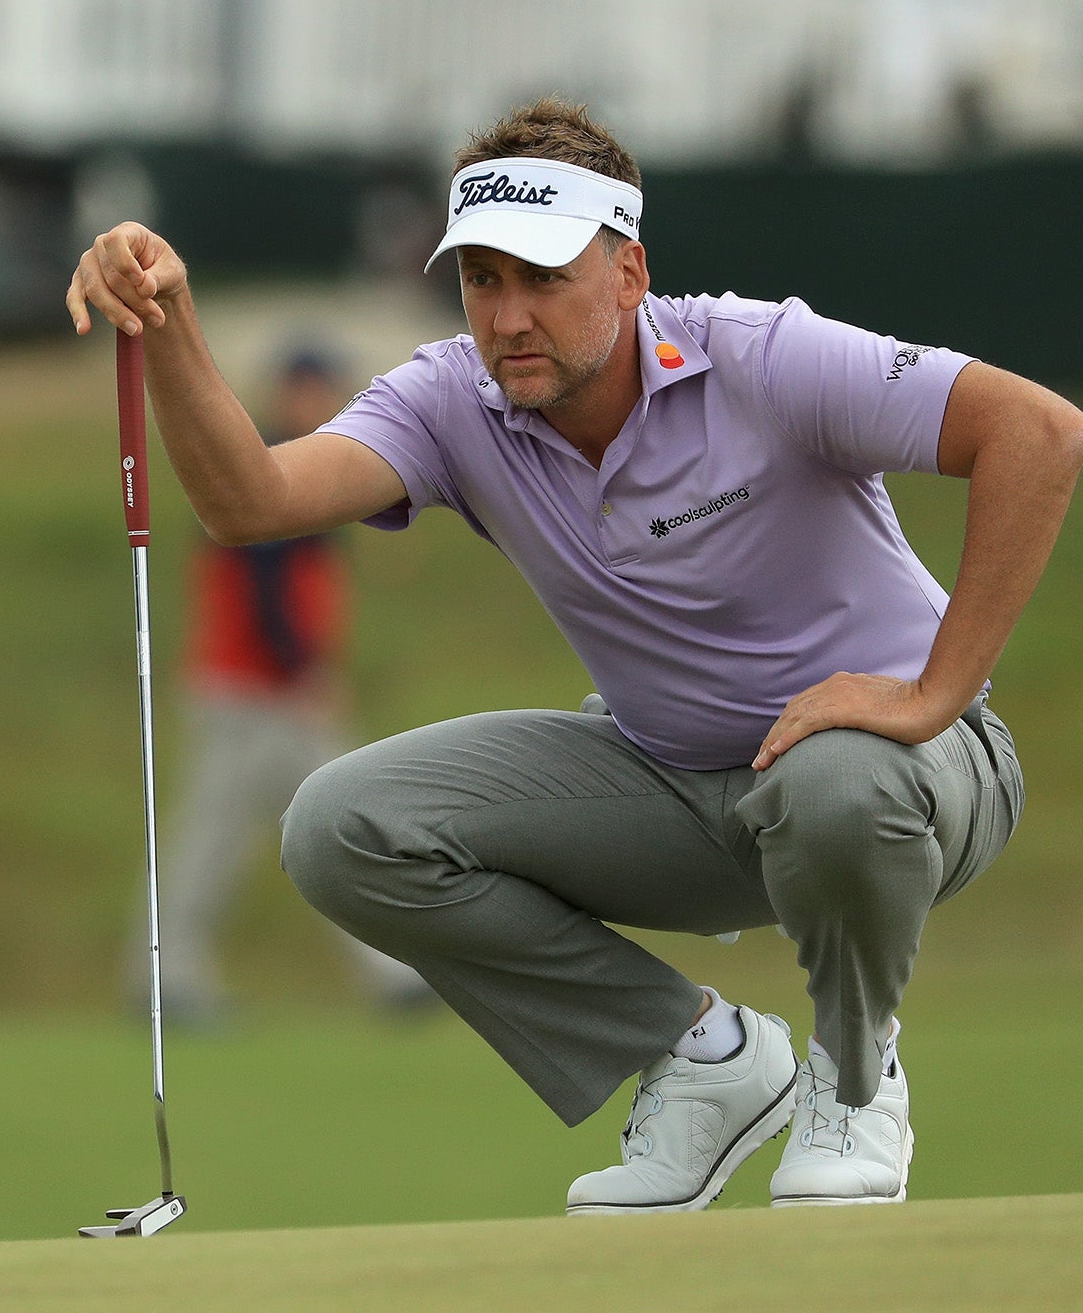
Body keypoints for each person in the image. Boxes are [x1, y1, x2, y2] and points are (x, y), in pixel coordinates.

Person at [66, 96, 1083, 1212]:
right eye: (483, 279)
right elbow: (250, 501)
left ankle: (853, 1073)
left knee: (836, 778)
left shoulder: (761, 355)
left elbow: (1036, 431)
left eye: (544, 277)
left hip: (910, 780)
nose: (508, 316)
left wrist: (936, 691)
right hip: (676, 784)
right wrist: (166, 326)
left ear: (629, 271)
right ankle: (703, 1058)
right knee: (341, 826)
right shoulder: (451, 399)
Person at [133, 346, 439, 1023]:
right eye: (315, 388)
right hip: (254, 687)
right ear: (290, 392)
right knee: (227, 836)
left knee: (337, 827)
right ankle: (165, 976)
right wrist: (305, 669)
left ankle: (391, 976)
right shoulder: (269, 460)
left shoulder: (295, 459)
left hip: (271, 688)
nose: (324, 402)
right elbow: (265, 583)